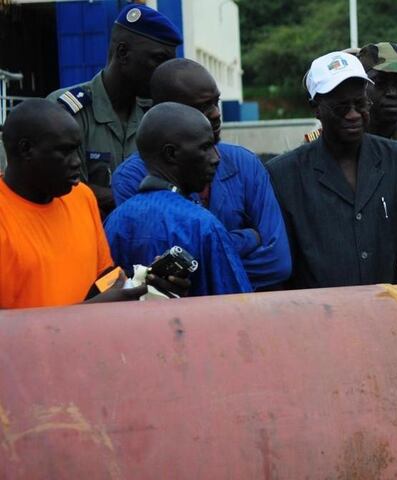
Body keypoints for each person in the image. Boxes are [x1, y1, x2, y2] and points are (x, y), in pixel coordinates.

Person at [111, 59, 292, 291]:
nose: (216, 114)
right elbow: (147, 274)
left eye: (216, 102)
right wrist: (246, 239)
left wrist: (199, 269)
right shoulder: (129, 178)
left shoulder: (245, 163)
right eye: (202, 107)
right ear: (166, 111)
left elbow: (277, 264)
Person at [267, 51, 397, 289]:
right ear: (316, 108)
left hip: (395, 316)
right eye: (341, 107)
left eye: (360, 104)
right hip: (322, 318)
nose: (353, 115)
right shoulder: (283, 176)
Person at [0, 100, 179, 308]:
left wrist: (147, 285)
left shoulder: (81, 197)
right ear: (26, 150)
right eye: (64, 151)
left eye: (76, 150)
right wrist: (88, 312)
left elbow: (105, 279)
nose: (76, 161)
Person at [47, 3, 181, 217]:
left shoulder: (156, 116)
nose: (165, 72)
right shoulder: (65, 111)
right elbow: (66, 191)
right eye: (159, 59)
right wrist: (141, 195)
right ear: (123, 53)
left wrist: (107, 195)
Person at [104, 103, 250, 296]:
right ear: (171, 154)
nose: (216, 157)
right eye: (205, 147)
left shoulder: (113, 222)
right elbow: (237, 306)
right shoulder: (203, 225)